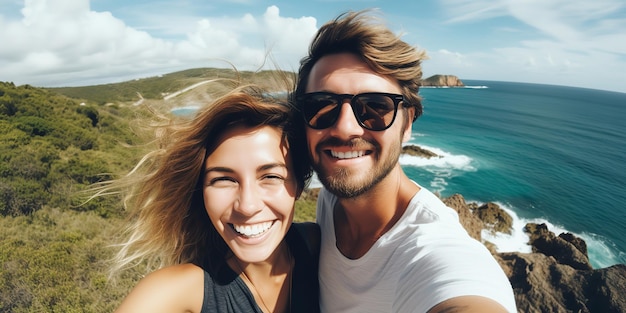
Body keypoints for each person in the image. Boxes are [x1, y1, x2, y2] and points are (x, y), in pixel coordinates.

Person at [292, 10, 517, 313]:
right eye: (322, 106)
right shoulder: (332, 198)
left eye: (375, 106)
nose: (345, 128)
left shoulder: (434, 251)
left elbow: (465, 290)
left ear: (407, 123)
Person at [103, 81, 319, 313]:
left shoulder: (316, 244)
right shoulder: (177, 291)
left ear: (298, 185)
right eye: (223, 180)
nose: (247, 206)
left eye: (271, 176)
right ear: (201, 191)